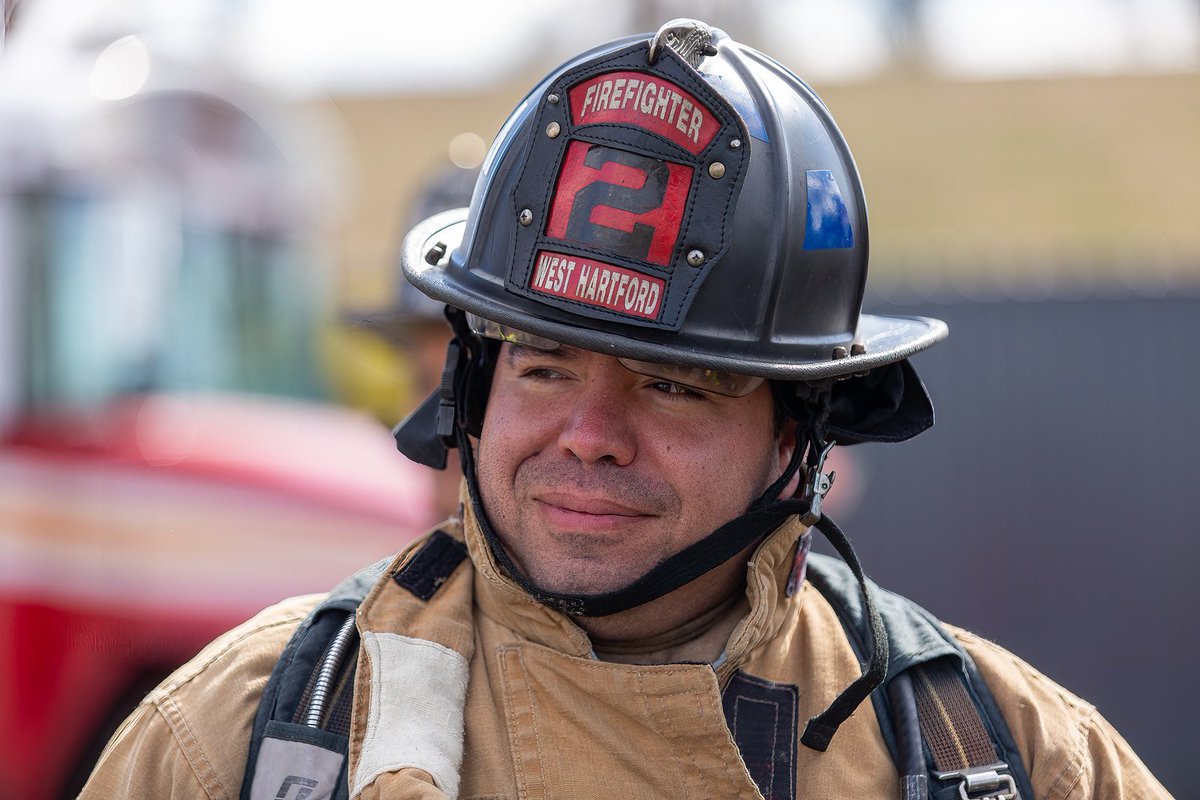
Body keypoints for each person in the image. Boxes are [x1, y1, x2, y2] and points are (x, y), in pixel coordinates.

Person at [81, 19, 1170, 800]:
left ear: (802, 432)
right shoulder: (233, 741)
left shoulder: (1011, 757)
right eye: (543, 365)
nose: (589, 432)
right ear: (468, 390)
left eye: (673, 382)